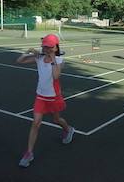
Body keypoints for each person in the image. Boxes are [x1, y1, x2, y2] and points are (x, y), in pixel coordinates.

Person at [17, 34, 74, 168]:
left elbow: (56, 76)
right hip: (40, 96)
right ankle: (29, 153)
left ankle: (69, 129)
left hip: (54, 96)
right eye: (44, 46)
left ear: (54, 47)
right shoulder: (39, 58)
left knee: (56, 120)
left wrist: (53, 58)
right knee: (36, 123)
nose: (45, 49)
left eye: (48, 47)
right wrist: (28, 52)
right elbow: (19, 61)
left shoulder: (59, 60)